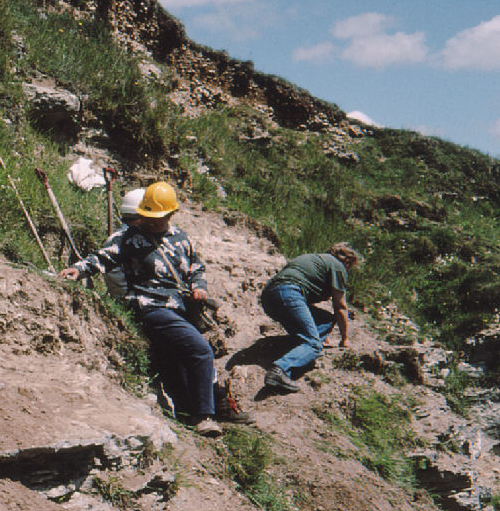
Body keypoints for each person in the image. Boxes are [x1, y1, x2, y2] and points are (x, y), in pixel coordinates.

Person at [60, 181, 252, 433]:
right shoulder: (129, 238)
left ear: (171, 214)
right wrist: (79, 268)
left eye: (158, 218)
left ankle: (188, 418)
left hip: (178, 309)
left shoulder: (181, 238)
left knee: (175, 365)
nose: (152, 223)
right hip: (149, 307)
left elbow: (196, 267)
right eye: (147, 217)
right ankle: (205, 416)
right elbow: (103, 257)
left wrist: (199, 286)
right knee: (200, 350)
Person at [260, 243, 362, 393]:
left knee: (326, 319)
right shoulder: (337, 266)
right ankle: (280, 370)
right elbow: (340, 306)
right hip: (290, 293)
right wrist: (345, 339)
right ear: (347, 261)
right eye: (350, 267)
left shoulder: (313, 259)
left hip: (269, 297)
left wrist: (316, 330)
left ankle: (298, 348)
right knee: (314, 345)